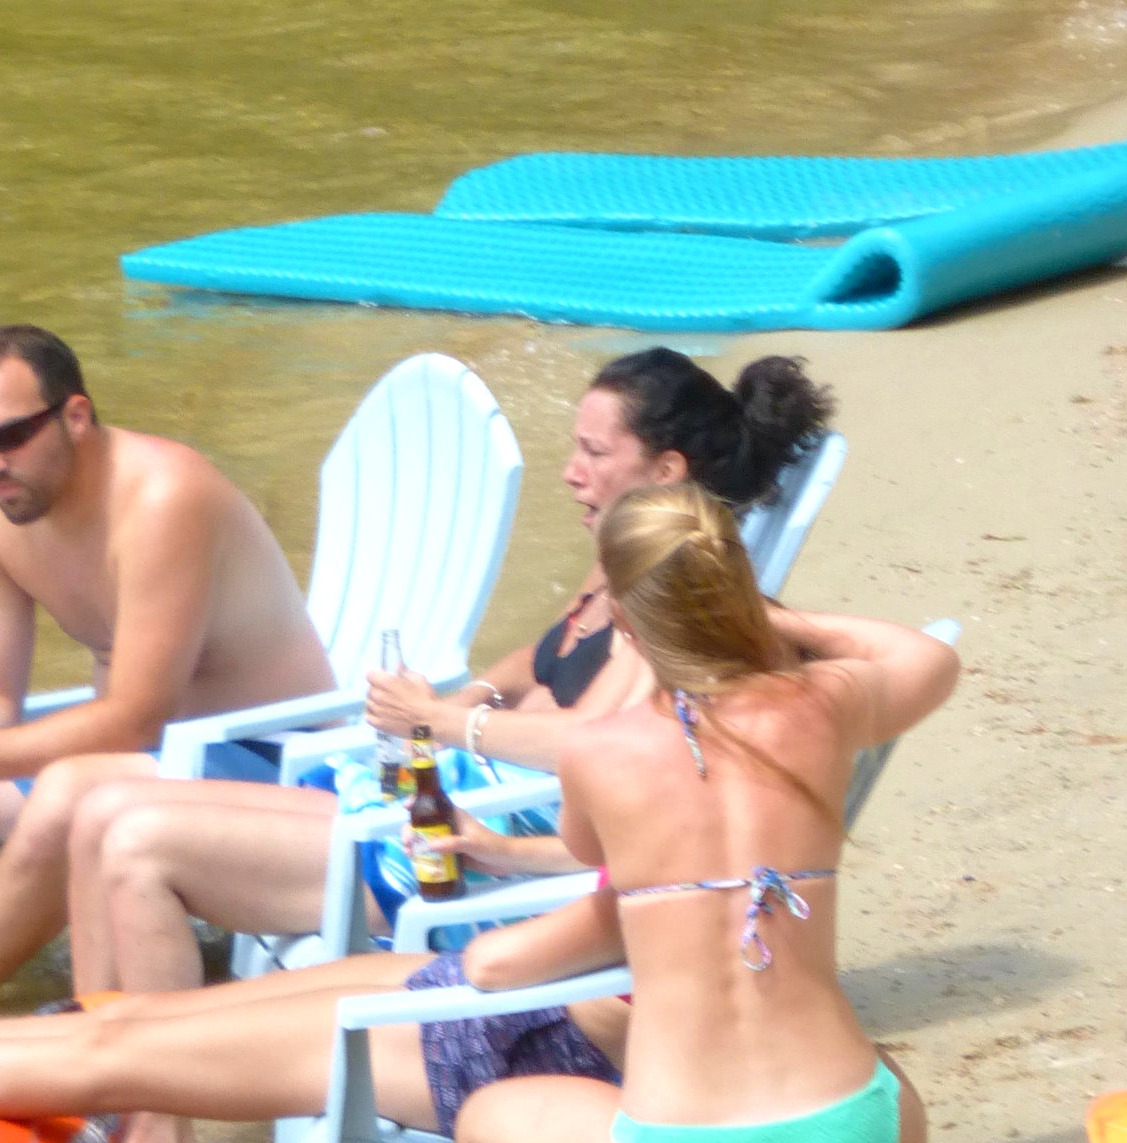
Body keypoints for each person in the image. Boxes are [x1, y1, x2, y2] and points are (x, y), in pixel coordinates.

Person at [0, 483, 958, 1143]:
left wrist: (490, 948)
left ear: (626, 615)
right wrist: (771, 623)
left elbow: (589, 873)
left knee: (133, 1047)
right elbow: (915, 655)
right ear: (739, 593)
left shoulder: (608, 754)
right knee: (141, 1033)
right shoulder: (823, 708)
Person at [59, 349, 836, 999]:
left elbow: (600, 742)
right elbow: (537, 660)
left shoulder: (671, 600)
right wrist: (464, 696)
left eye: (595, 454)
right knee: (102, 809)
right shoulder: (618, 566)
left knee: (136, 844)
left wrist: (442, 722)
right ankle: (93, 1065)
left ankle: (150, 1126)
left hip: (463, 851)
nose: (570, 473)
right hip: (427, 798)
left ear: (667, 469)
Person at [0, 324, 335, 1018]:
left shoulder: (164, 499)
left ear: (75, 416)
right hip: (140, 755)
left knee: (65, 788)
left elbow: (137, 715)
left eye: (10, 437)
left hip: (274, 758)